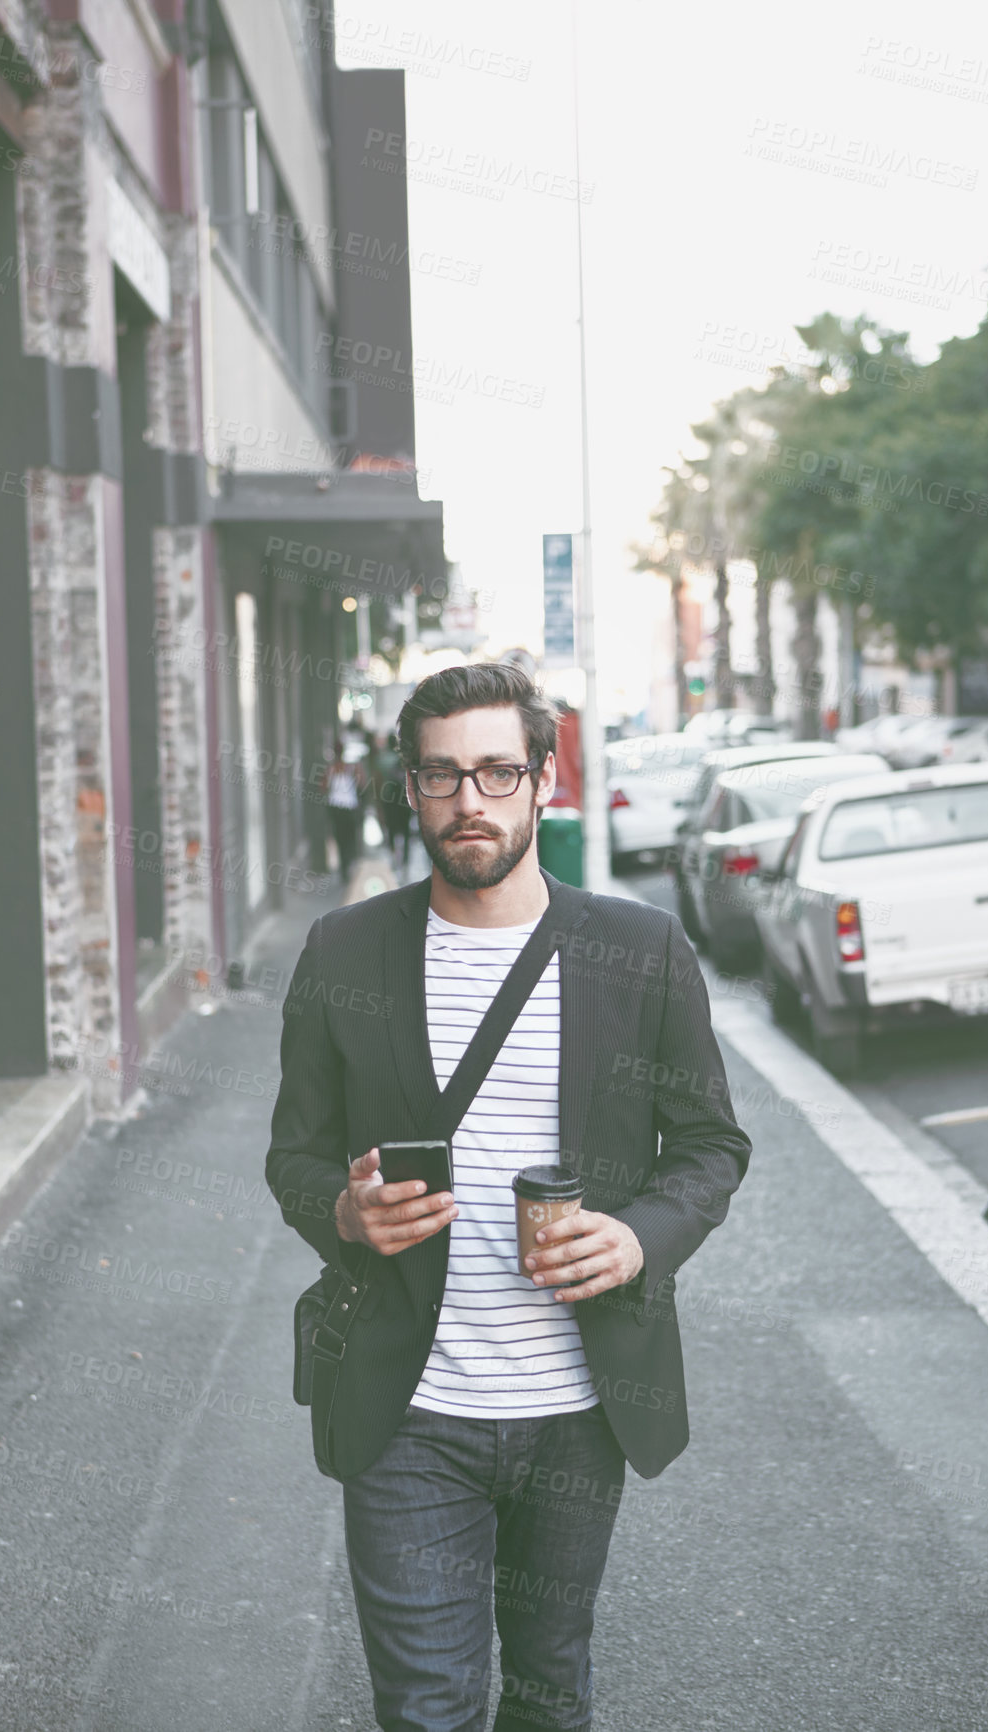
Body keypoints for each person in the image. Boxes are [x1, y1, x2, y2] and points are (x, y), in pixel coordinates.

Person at [267, 663, 751, 1732]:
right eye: (440, 775)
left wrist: (635, 1238)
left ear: (541, 780)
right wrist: (341, 1215)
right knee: (428, 1705)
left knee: (548, 1691)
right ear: (408, 788)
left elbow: (711, 1144)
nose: (467, 801)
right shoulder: (344, 949)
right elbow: (292, 1157)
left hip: (580, 1405)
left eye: (495, 771)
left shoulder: (637, 950)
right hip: (409, 1410)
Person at [324, 737, 364, 885]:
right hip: (348, 807)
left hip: (336, 807)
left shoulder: (331, 769)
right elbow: (362, 783)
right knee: (349, 837)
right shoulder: (351, 768)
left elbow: (322, 788)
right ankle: (347, 864)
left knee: (341, 837)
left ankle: (344, 866)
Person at [376, 728, 413, 868]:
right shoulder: (402, 759)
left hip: (388, 799)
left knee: (391, 828)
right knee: (406, 829)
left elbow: (377, 781)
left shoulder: (381, 759)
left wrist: (378, 801)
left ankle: (393, 855)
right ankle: (405, 858)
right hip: (404, 799)